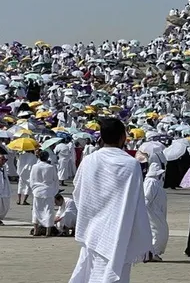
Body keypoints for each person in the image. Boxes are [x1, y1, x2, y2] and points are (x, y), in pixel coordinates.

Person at [68, 117, 152, 283]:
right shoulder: (131, 164)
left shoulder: (89, 160)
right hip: (118, 230)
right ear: (122, 137)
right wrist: (143, 236)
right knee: (115, 273)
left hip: (92, 228)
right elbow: (137, 203)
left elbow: (78, 191)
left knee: (90, 272)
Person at [142, 159, 168, 262]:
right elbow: (146, 198)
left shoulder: (155, 183)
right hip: (152, 212)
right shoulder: (151, 183)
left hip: (156, 212)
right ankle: (153, 253)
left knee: (158, 233)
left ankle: (152, 252)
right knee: (159, 233)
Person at [30, 150, 59, 237]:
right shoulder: (50, 167)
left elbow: (31, 179)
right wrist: (55, 190)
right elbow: (56, 180)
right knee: (49, 210)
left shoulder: (35, 167)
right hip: (48, 191)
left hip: (37, 191)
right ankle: (48, 231)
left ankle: (36, 230)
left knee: (36, 210)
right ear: (47, 158)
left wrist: (34, 189)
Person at [0, 153, 11, 225]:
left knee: (5, 207)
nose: (4, 161)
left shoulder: (4, 168)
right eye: (2, 159)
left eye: (5, 160)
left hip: (5, 190)